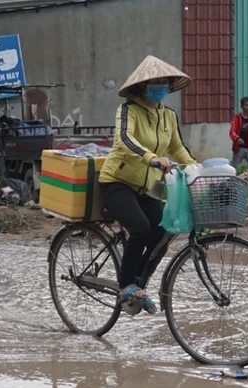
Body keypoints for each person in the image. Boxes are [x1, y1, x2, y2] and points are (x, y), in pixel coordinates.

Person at [98, 56, 197, 314]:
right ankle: (125, 285)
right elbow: (124, 139)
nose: (160, 86)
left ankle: (139, 284)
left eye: (164, 82)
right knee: (141, 229)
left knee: (163, 232)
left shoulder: (168, 116)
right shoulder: (128, 110)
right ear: (144, 86)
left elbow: (177, 148)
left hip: (145, 188)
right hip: (116, 182)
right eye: (155, 82)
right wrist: (151, 158)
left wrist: (196, 167)